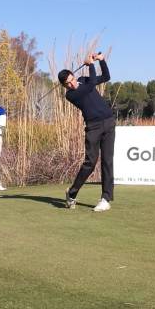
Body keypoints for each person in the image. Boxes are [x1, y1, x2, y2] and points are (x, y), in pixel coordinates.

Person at [57, 52, 115, 212]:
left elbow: (106, 76)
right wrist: (90, 65)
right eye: (68, 84)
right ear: (64, 86)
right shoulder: (71, 95)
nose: (72, 84)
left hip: (109, 122)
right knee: (90, 163)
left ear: (74, 76)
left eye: (72, 80)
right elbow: (90, 86)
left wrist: (101, 61)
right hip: (93, 127)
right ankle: (72, 192)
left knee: (108, 161)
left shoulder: (82, 80)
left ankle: (105, 198)